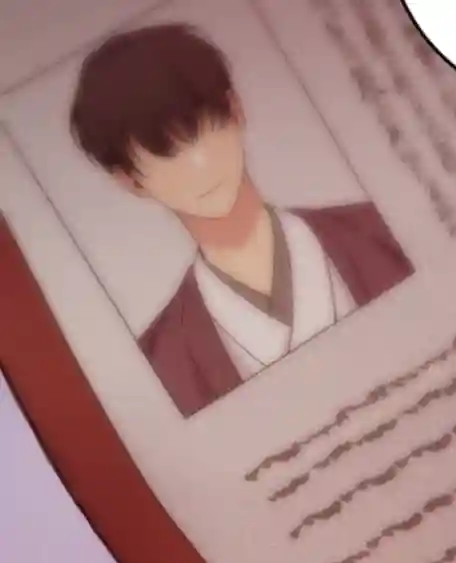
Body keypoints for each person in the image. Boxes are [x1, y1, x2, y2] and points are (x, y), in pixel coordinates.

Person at [69, 24, 413, 418]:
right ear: (130, 181)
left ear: (235, 111)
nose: (198, 163)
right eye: (164, 153)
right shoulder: (164, 359)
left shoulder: (380, 229)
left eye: (202, 129)